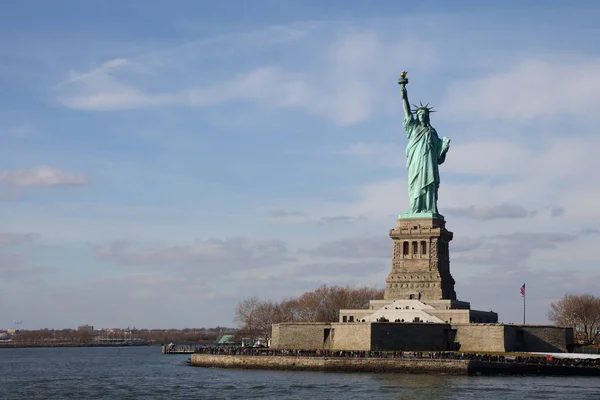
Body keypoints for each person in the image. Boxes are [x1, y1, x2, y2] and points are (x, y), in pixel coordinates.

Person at [399, 77, 450, 215]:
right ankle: (415, 208)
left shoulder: (432, 132)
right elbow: (407, 112)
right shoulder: (413, 128)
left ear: (428, 117)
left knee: (429, 184)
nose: (421, 116)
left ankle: (429, 208)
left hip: (429, 164)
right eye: (420, 114)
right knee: (416, 185)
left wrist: (444, 149)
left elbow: (439, 158)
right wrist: (404, 95)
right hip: (416, 163)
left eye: (424, 114)